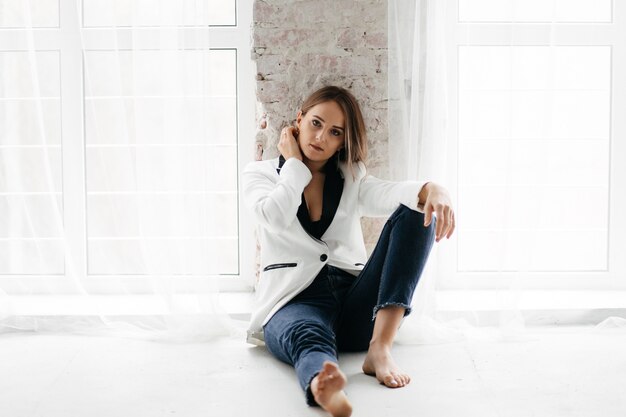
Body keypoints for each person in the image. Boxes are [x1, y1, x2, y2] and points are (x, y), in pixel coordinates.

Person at [242, 85, 455, 417]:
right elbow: (273, 216)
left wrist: (433, 188)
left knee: (416, 208)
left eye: (335, 132)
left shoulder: (350, 176)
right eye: (315, 123)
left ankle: (379, 349)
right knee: (306, 336)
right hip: (293, 301)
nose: (321, 137)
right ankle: (323, 384)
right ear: (299, 119)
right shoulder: (262, 174)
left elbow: (390, 192)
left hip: (355, 303)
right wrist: (294, 166)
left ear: (343, 141)